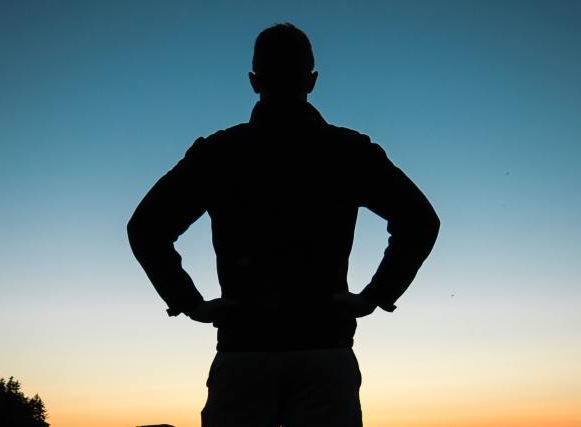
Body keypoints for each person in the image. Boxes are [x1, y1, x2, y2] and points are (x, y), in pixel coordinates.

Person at [127, 23, 440, 427]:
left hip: (245, 351)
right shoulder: (348, 152)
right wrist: (375, 295)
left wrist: (189, 303)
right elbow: (420, 220)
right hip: (324, 351)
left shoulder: (220, 154)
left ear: (254, 81)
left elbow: (146, 228)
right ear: (312, 81)